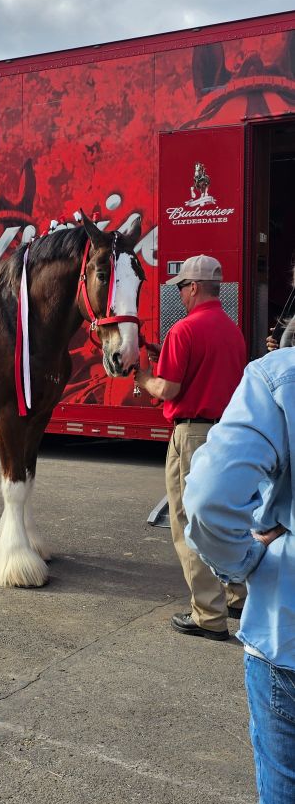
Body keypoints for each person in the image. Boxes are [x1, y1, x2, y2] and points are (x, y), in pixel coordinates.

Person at [183, 309, 295, 804]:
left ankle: (206, 611)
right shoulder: (230, 329)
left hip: (289, 637)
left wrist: (248, 563)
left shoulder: (277, 377)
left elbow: (206, 502)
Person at [134, 255, 247, 640]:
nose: (180, 293)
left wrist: (145, 376)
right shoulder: (233, 330)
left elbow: (169, 389)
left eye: (182, 286)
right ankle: (237, 596)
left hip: (193, 435)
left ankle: (208, 615)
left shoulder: (184, 330)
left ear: (194, 287)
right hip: (228, 435)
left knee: (188, 523)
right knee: (225, 518)